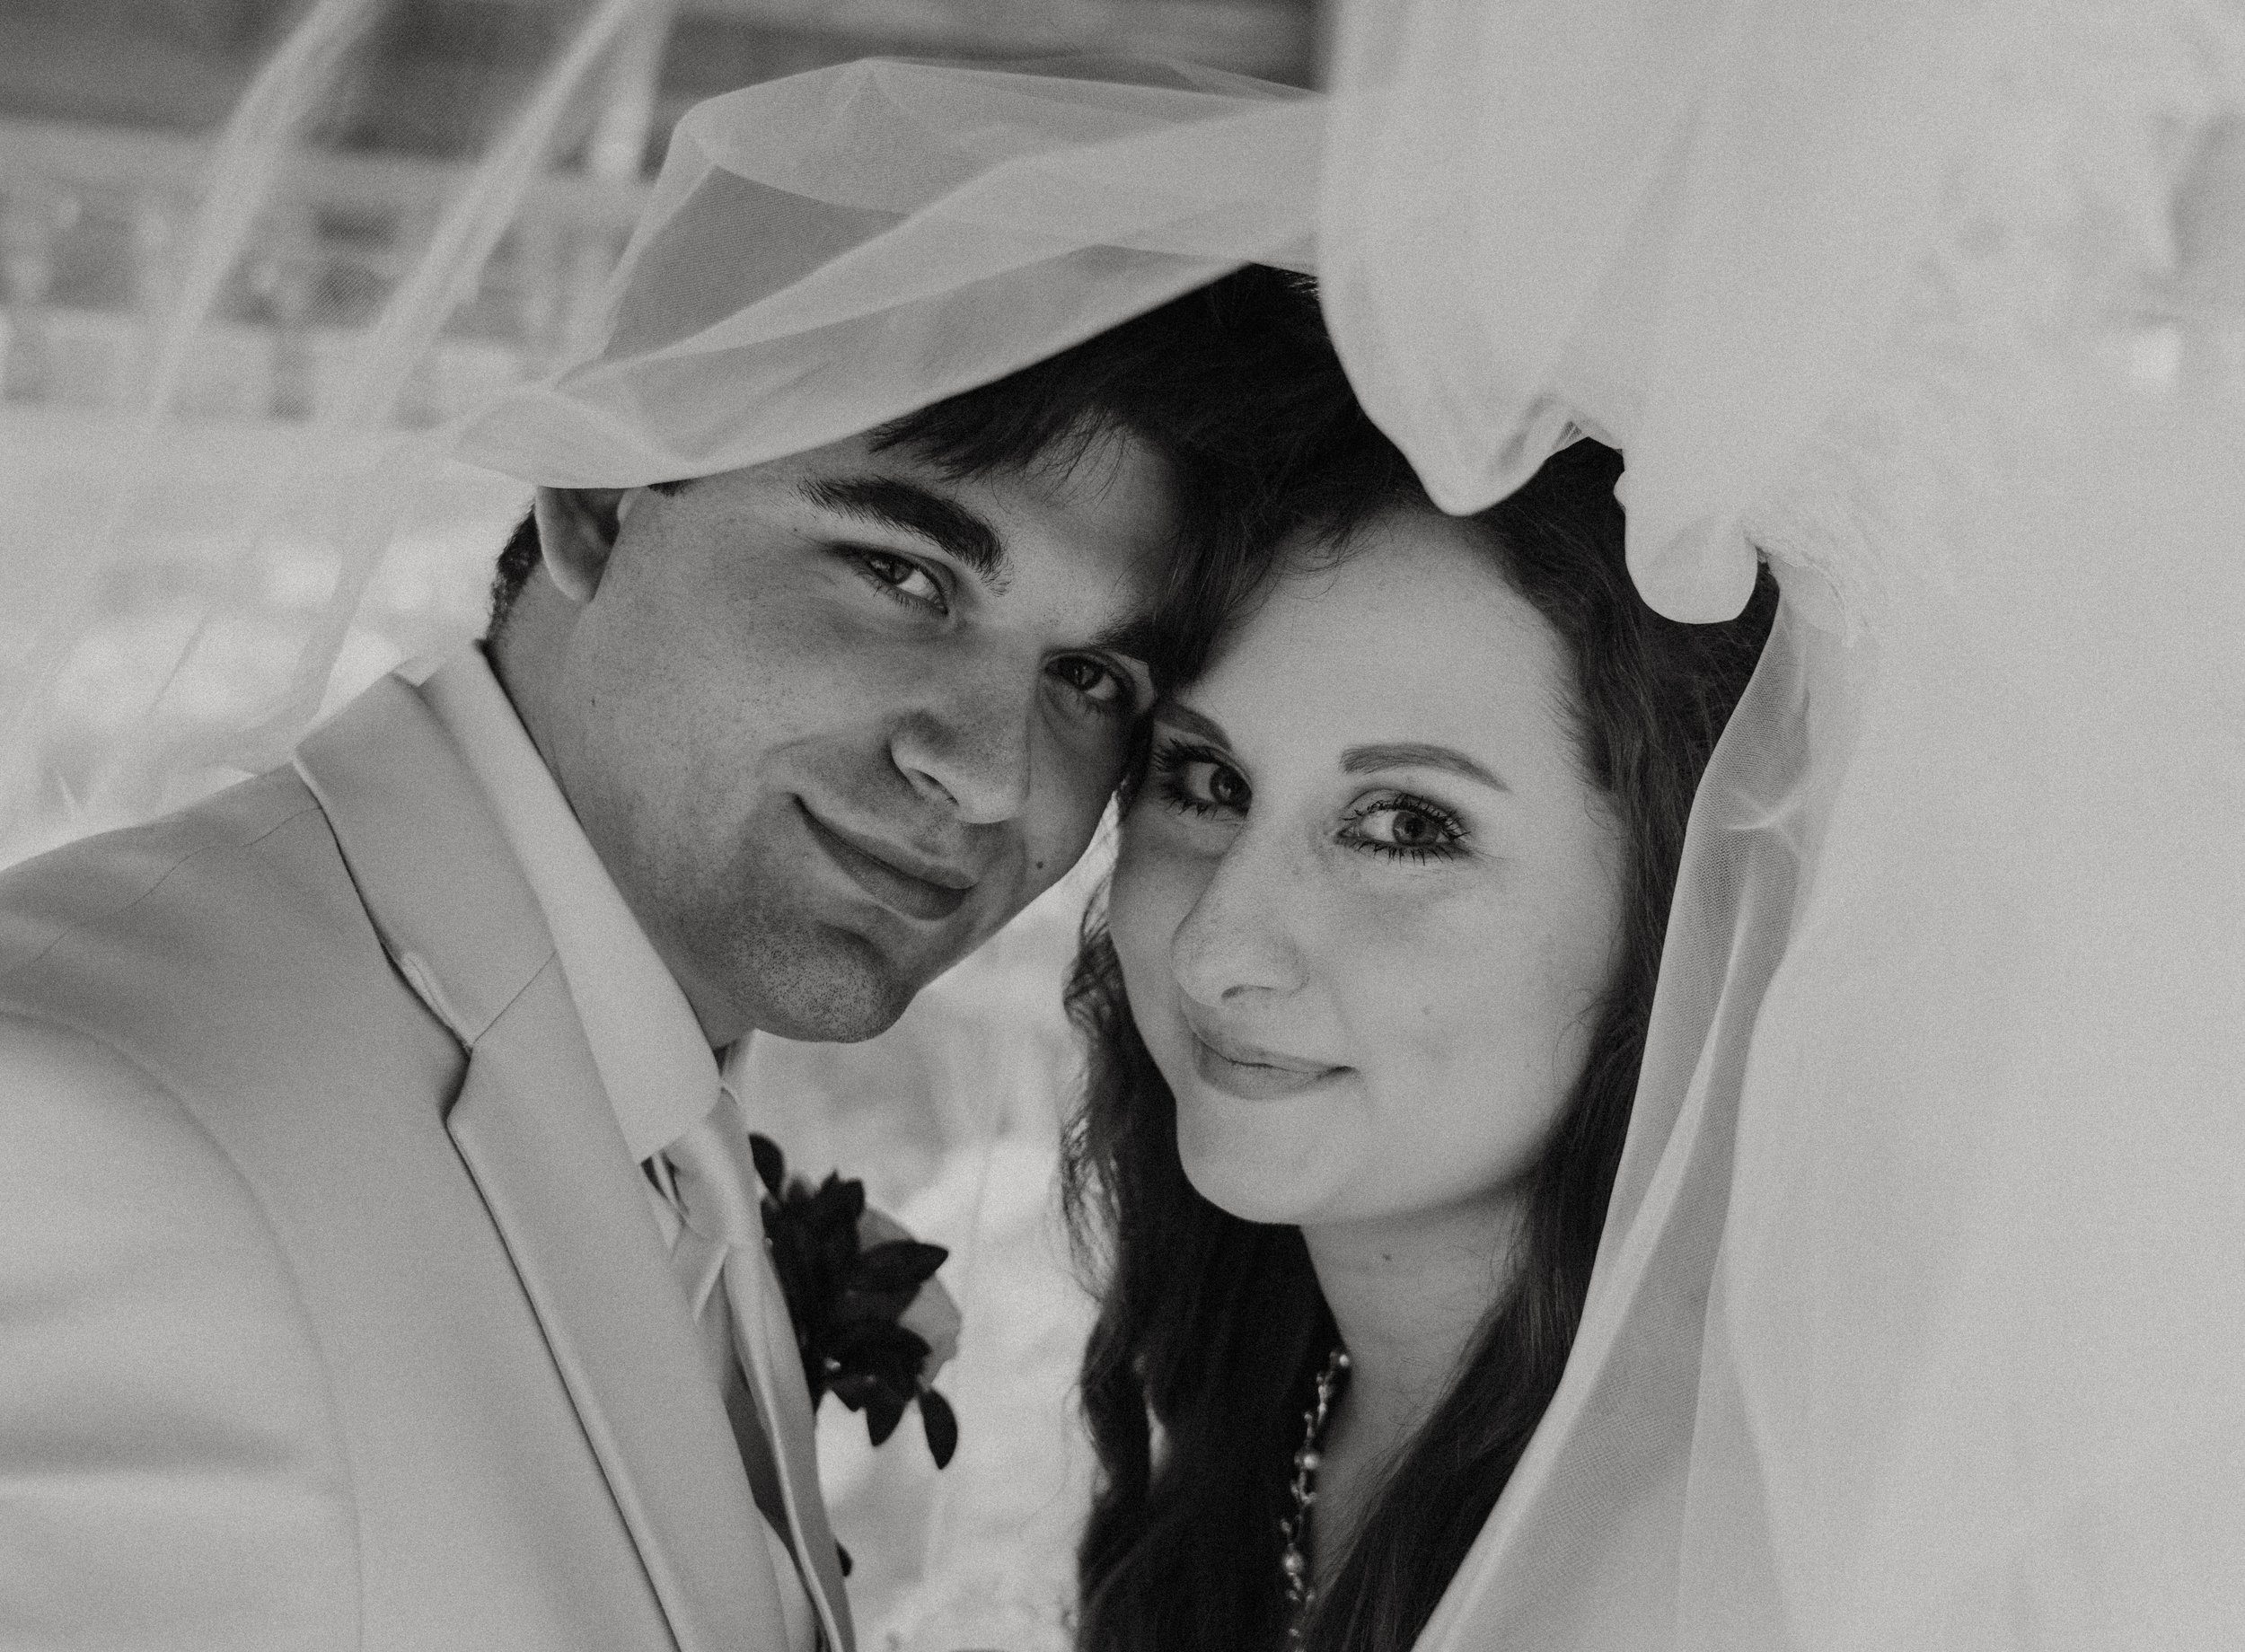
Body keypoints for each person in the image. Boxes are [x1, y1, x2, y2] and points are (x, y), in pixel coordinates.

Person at [0, 58, 1333, 1652]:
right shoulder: (84, 1123)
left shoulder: (650, 1092)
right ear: (595, 504)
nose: (987, 775)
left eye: (1093, 680)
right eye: (904, 577)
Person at [1061, 426, 1775, 1652]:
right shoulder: (1272, 1406)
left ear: (1677, 906)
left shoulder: (1710, 1564)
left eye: (1402, 825)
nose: (1216, 949)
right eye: (1206, 782)